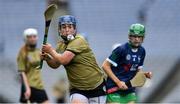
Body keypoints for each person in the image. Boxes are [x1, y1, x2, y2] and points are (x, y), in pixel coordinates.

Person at [41, 15, 106, 103]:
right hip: (77, 89)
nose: (67, 29)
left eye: (70, 26)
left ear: (74, 29)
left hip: (96, 86)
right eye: (63, 27)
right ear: (59, 30)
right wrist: (47, 58)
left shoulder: (79, 40)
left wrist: (50, 50)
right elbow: (55, 64)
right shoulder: (61, 45)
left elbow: (64, 60)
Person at [102, 23, 152, 104]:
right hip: (114, 89)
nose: (136, 39)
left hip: (129, 90)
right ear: (129, 37)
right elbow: (105, 65)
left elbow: (137, 71)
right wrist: (118, 82)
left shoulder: (142, 51)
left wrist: (145, 74)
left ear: (143, 38)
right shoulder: (121, 49)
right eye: (134, 36)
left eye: (139, 37)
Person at [17, 28, 49, 103]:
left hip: (39, 85)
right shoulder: (22, 53)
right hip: (29, 85)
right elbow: (22, 72)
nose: (32, 39)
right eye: (30, 37)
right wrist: (27, 88)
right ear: (25, 38)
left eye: (34, 36)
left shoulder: (39, 51)